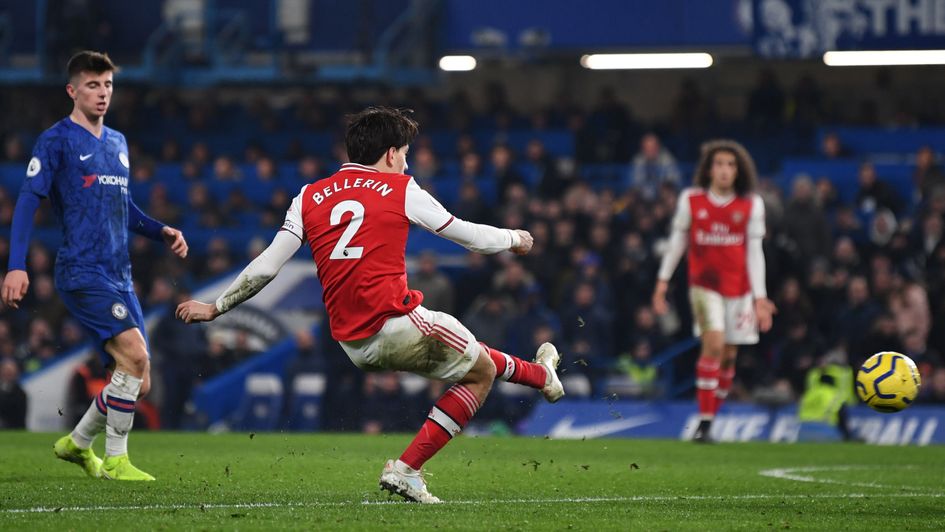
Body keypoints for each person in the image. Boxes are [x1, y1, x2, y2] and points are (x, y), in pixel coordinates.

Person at [176, 107, 563, 503]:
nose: (407, 162)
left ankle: (542, 376)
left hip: (353, 345)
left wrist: (216, 307)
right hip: (396, 321)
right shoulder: (402, 188)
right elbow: (469, 238)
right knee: (479, 373)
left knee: (476, 365)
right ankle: (409, 469)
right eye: (406, 154)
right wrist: (515, 238)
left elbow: (267, 266)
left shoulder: (307, 196)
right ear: (392, 153)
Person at [0, 51, 188, 480]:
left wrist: (160, 230)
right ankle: (116, 460)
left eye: (107, 86)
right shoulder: (56, 140)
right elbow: (29, 200)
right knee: (135, 355)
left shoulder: (118, 143)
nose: (102, 94)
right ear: (72, 90)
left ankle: (77, 443)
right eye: (92, 85)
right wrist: (16, 265)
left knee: (139, 381)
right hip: (81, 270)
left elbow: (124, 206)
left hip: (120, 274)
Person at [651, 139, 776, 443]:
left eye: (730, 165)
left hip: (741, 290)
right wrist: (662, 281)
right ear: (708, 169)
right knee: (715, 345)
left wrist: (760, 300)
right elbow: (678, 241)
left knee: (729, 357)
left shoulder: (751, 204)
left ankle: (710, 417)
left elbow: (754, 253)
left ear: (738, 171)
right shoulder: (692, 200)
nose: (724, 170)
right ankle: (705, 423)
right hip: (704, 288)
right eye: (718, 164)